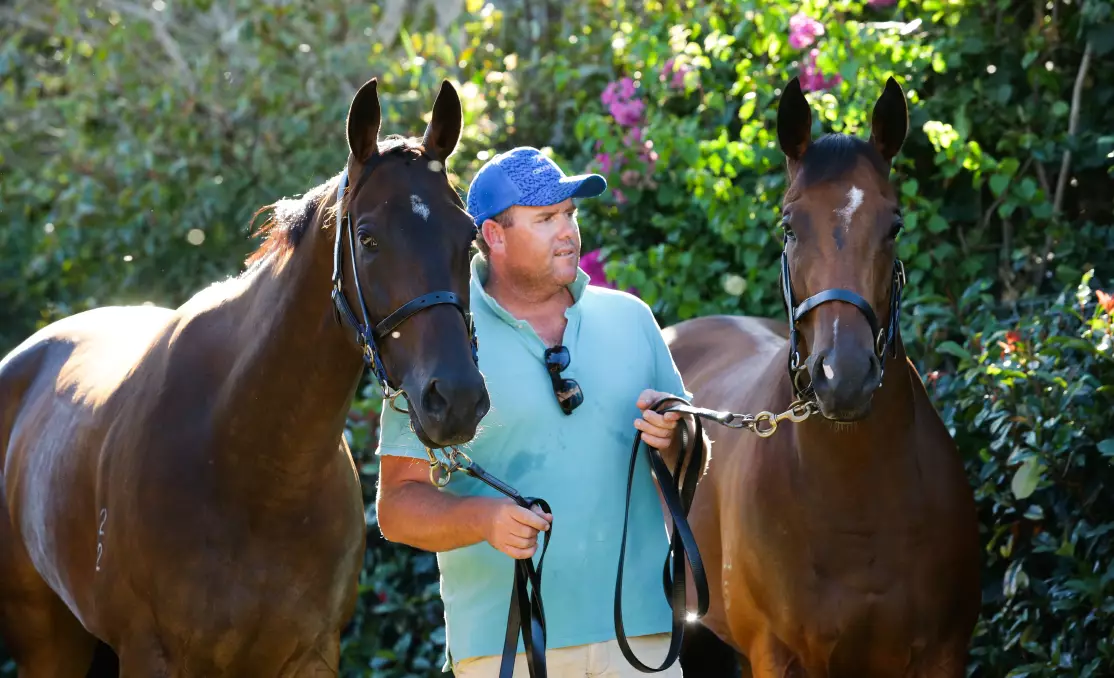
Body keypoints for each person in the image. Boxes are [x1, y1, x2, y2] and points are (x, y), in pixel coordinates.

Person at [375, 146, 690, 677]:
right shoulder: (438, 340)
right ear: (494, 236)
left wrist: (675, 439)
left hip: (643, 636)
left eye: (570, 214)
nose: (567, 230)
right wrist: (484, 519)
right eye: (546, 218)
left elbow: (691, 468)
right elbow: (398, 506)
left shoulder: (631, 319)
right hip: (509, 645)